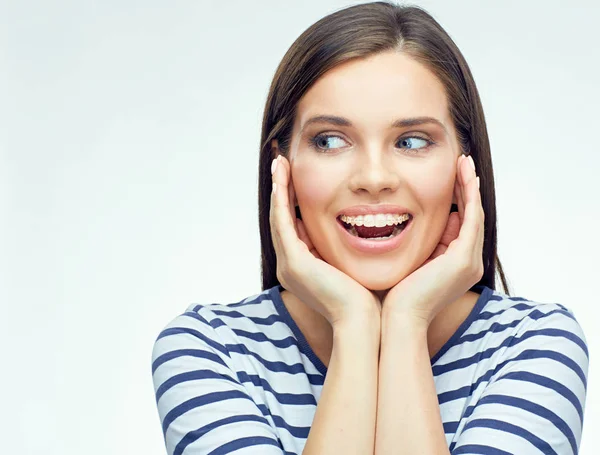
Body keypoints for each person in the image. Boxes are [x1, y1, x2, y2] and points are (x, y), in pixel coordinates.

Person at [151, 2, 589, 454]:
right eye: (330, 141)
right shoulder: (209, 350)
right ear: (283, 167)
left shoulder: (534, 345)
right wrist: (355, 325)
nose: (374, 177)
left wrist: (405, 322)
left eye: (412, 141)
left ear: (465, 169)